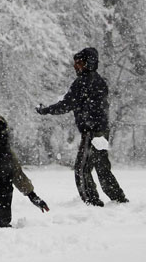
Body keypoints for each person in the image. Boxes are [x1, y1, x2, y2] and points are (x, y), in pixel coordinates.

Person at [36, 47, 128, 206]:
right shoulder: (99, 80)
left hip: (91, 133)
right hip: (102, 131)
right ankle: (118, 198)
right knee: (102, 167)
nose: (75, 67)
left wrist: (47, 110)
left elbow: (67, 104)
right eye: (75, 63)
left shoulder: (83, 82)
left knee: (82, 168)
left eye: (79, 63)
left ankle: (91, 202)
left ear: (88, 63)